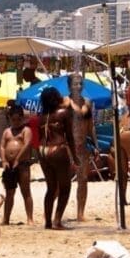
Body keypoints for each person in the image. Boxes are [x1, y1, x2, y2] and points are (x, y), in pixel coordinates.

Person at [37, 86, 77, 230]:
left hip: (42, 150)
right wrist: (75, 157)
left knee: (51, 188)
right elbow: (70, 137)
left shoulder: (41, 117)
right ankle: (57, 221)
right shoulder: (63, 113)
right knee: (65, 187)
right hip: (57, 149)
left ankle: (48, 222)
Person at [0, 105, 33, 225]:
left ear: (22, 118)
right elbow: (2, 146)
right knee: (9, 192)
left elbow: (27, 144)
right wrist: (4, 160)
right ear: (9, 119)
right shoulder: (7, 131)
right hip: (9, 165)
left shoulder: (26, 130)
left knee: (26, 191)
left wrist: (18, 159)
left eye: (19, 119)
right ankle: (6, 218)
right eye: (13, 120)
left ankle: (30, 218)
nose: (16, 122)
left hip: (22, 164)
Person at [66, 73, 93, 222]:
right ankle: (52, 212)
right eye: (75, 84)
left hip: (83, 145)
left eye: (80, 83)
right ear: (69, 86)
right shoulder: (65, 101)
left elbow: (90, 125)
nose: (78, 86)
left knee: (83, 180)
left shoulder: (87, 102)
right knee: (62, 180)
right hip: (68, 146)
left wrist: (95, 144)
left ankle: (80, 212)